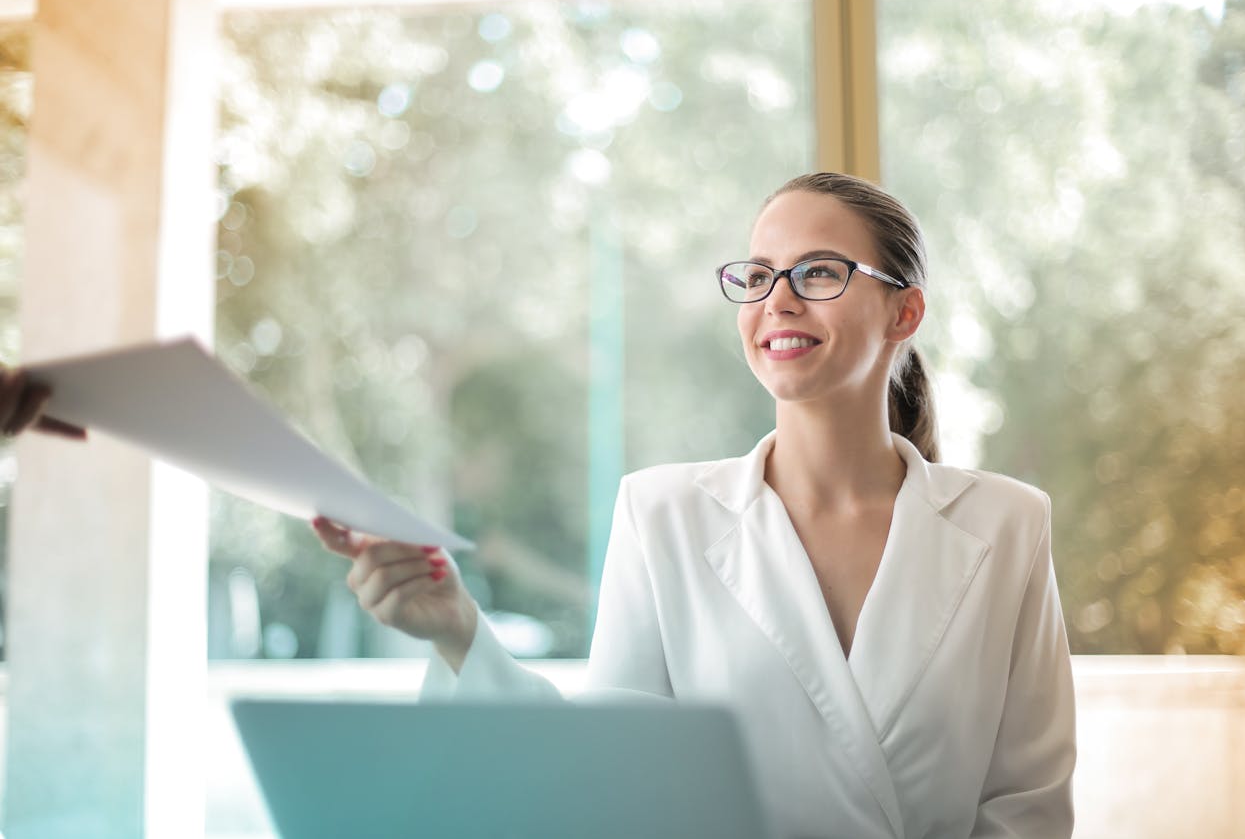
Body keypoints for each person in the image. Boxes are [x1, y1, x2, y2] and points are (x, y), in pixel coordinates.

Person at [6, 172, 1075, 838]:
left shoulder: (1002, 525)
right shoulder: (662, 513)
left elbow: (1025, 808)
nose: (775, 299)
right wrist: (456, 630)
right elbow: (604, 777)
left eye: (817, 271)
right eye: (752, 276)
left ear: (904, 311)